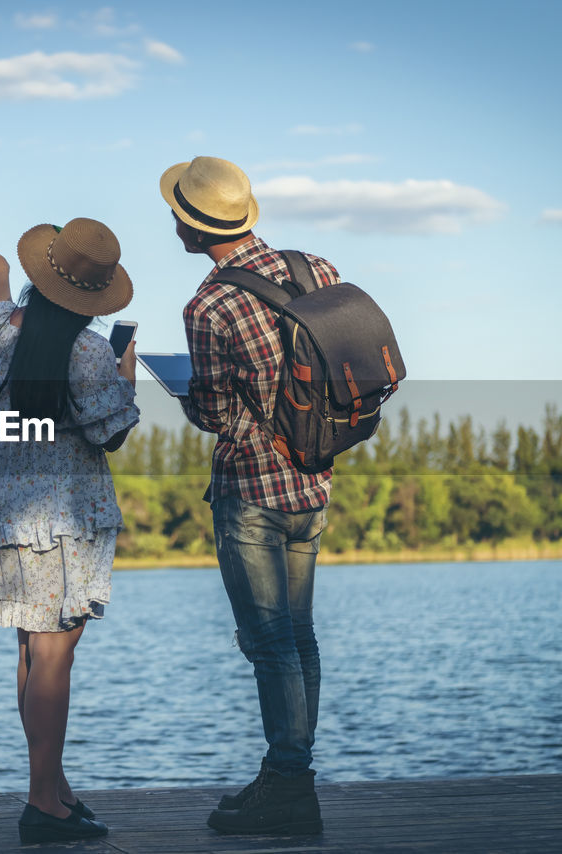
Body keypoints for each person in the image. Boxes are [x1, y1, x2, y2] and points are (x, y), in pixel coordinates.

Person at [160, 156, 340, 836]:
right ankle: (284, 776)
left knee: (271, 645)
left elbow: (212, 412)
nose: (172, 220)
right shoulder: (314, 269)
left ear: (194, 226)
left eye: (176, 212)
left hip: (253, 491)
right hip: (315, 481)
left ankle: (290, 788)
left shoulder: (208, 305)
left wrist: (186, 393)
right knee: (299, 638)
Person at [0, 217, 139, 844]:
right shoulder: (89, 351)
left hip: (8, 506)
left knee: (34, 652)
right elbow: (108, 430)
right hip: (65, 513)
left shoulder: (3, 332)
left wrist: (0, 278)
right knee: (55, 651)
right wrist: (127, 374)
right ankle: (43, 803)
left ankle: (53, 788)